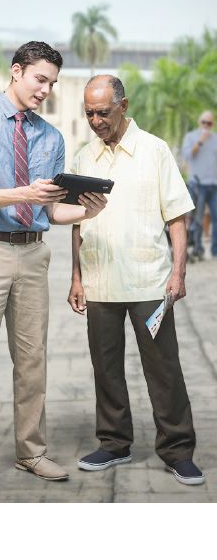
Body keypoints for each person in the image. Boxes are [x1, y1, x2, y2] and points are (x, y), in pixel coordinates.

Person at [0, 41, 107, 492]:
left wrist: (88, 213)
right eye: (40, 79)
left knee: (32, 359)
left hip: (34, 254)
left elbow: (52, 212)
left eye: (53, 83)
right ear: (16, 71)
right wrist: (23, 193)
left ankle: (31, 451)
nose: (46, 90)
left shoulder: (51, 138)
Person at [66, 75, 204, 485]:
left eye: (103, 112)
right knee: (105, 368)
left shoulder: (155, 150)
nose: (95, 120)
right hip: (100, 281)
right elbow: (76, 224)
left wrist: (178, 273)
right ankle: (113, 444)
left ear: (123, 105)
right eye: (89, 113)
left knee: (163, 369)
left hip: (150, 283)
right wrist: (76, 277)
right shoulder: (83, 157)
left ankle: (178, 450)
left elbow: (178, 217)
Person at [182, 110, 216, 260]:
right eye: (204, 122)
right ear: (199, 122)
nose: (206, 126)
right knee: (198, 218)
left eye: (209, 123)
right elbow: (188, 155)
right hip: (197, 183)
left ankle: (215, 251)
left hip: (214, 184)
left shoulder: (215, 138)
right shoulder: (191, 137)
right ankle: (198, 249)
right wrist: (201, 141)